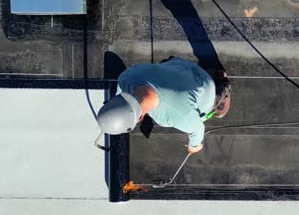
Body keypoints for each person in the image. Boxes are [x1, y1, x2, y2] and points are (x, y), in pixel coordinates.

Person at [96, 57, 230, 154]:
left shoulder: (175, 115)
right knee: (166, 67)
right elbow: (121, 88)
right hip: (181, 66)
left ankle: (224, 85)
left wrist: (194, 146)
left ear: (139, 118)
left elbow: (198, 129)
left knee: (218, 110)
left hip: (207, 88)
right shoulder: (128, 77)